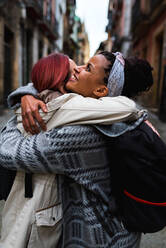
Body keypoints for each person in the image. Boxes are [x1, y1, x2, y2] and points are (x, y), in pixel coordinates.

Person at [0, 51, 153, 247]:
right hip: (112, 231)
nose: (77, 70)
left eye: (87, 68)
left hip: (102, 239)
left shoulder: (81, 134)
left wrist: (18, 117)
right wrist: (28, 95)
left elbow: (11, 153)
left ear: (100, 91)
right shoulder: (103, 116)